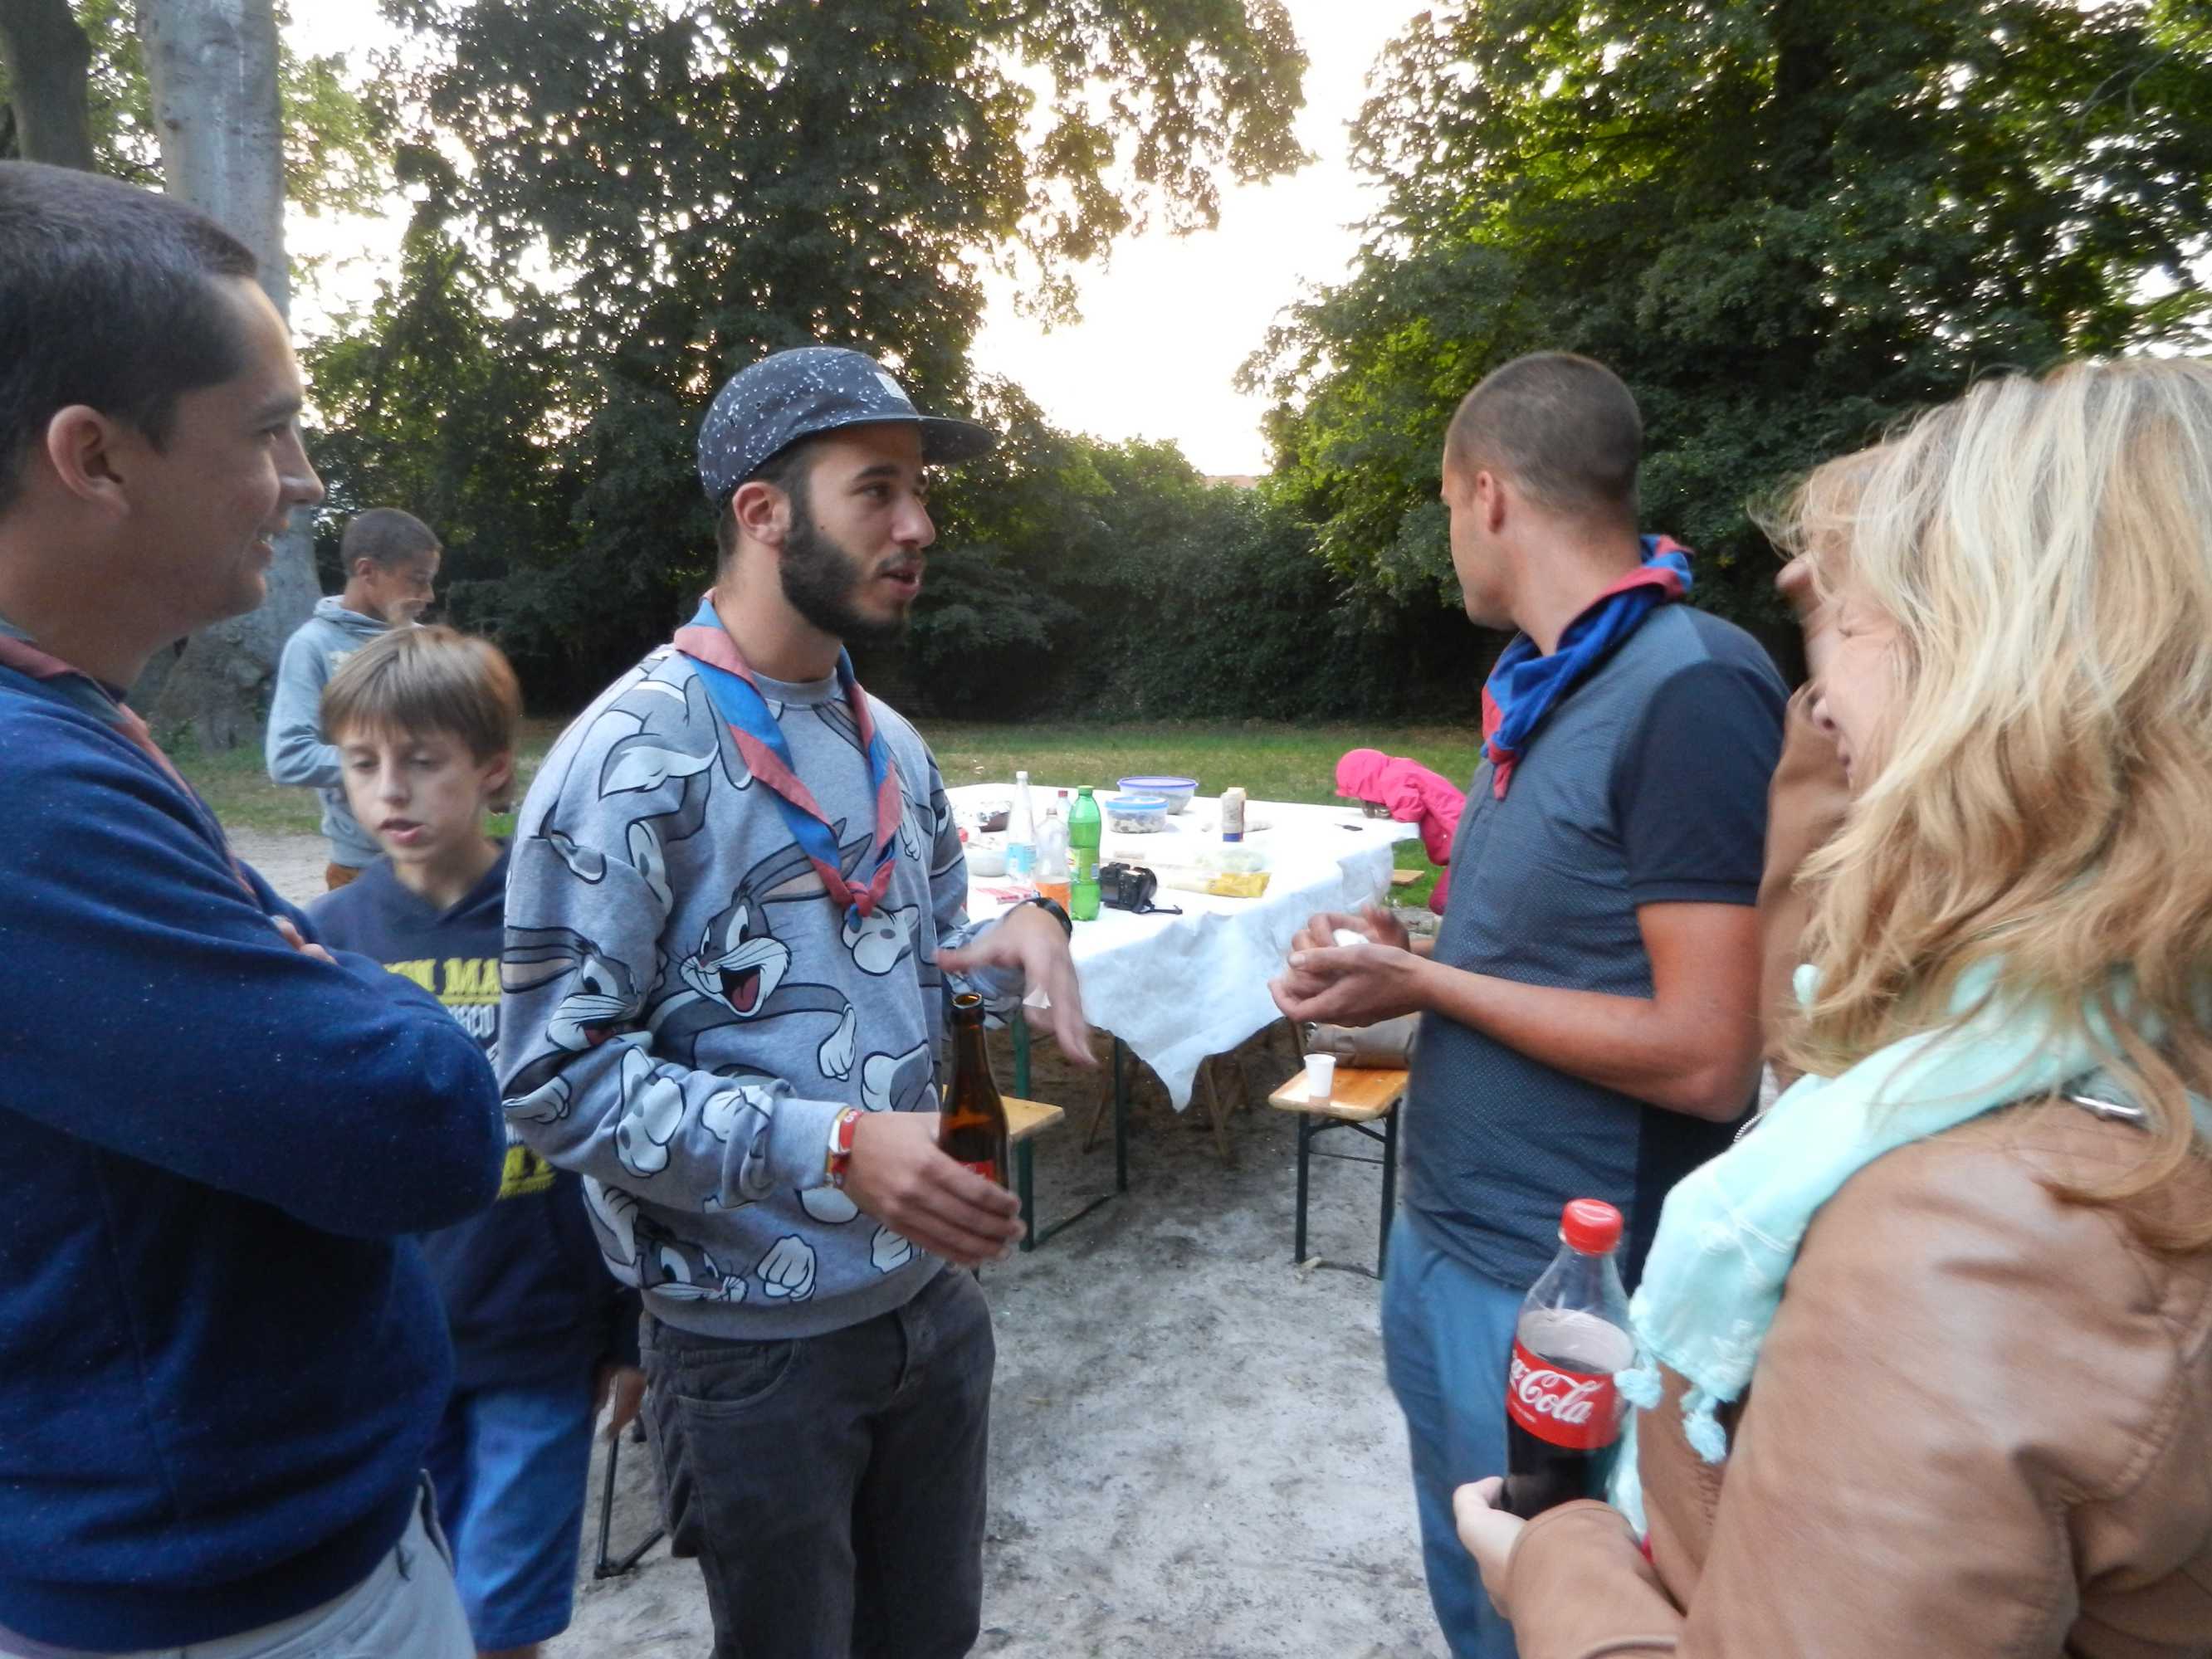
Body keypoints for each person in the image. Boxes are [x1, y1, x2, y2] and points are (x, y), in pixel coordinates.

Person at [1453, 357, 2212, 1657]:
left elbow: (1725, 1047)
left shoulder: (1973, 1241)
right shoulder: (2083, 1031)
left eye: (1856, 626)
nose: (1823, 696)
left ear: (1987, 665)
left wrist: (1560, 1558)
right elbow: (1830, 1004)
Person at [497, 345, 1094, 1659]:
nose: (918, 524)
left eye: (920, 490)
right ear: (764, 513)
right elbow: (551, 1080)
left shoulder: (890, 742)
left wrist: (1027, 929)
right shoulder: (627, 757)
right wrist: (831, 1143)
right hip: (748, 1348)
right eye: (876, 489)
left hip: (931, 1308)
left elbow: (933, 950)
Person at [0, 161, 501, 1656]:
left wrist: (296, 965)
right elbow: (417, 1122)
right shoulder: (27, 791)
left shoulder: (60, 731)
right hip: (229, 1603)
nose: (302, 480)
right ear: (94, 456)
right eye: (270, 428)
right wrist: (345, 976)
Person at [1272, 352, 1785, 1659]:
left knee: (1553, 1611)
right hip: (1447, 1236)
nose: (1453, 533)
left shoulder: (1689, 686)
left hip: (1567, 1291)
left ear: (1488, 494)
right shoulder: (1551, 681)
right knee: (1476, 1587)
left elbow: (1710, 1056)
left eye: (1448, 505)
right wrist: (1402, 955)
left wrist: (1428, 980)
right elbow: (1560, 957)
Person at [307, 626, 645, 1659]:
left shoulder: (560, 926)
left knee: (502, 1621)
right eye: (363, 763)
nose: (390, 791)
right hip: (389, 1347)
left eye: (421, 760)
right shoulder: (327, 939)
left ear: (493, 770)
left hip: (538, 1336)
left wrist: (631, 1330)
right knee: (410, 1608)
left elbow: (622, 1130)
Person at [267, 507, 442, 889]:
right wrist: (396, 762)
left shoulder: (427, 644)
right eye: (418, 580)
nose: (428, 596)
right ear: (367, 571)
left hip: (441, 861)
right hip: (363, 870)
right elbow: (289, 758)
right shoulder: (313, 646)